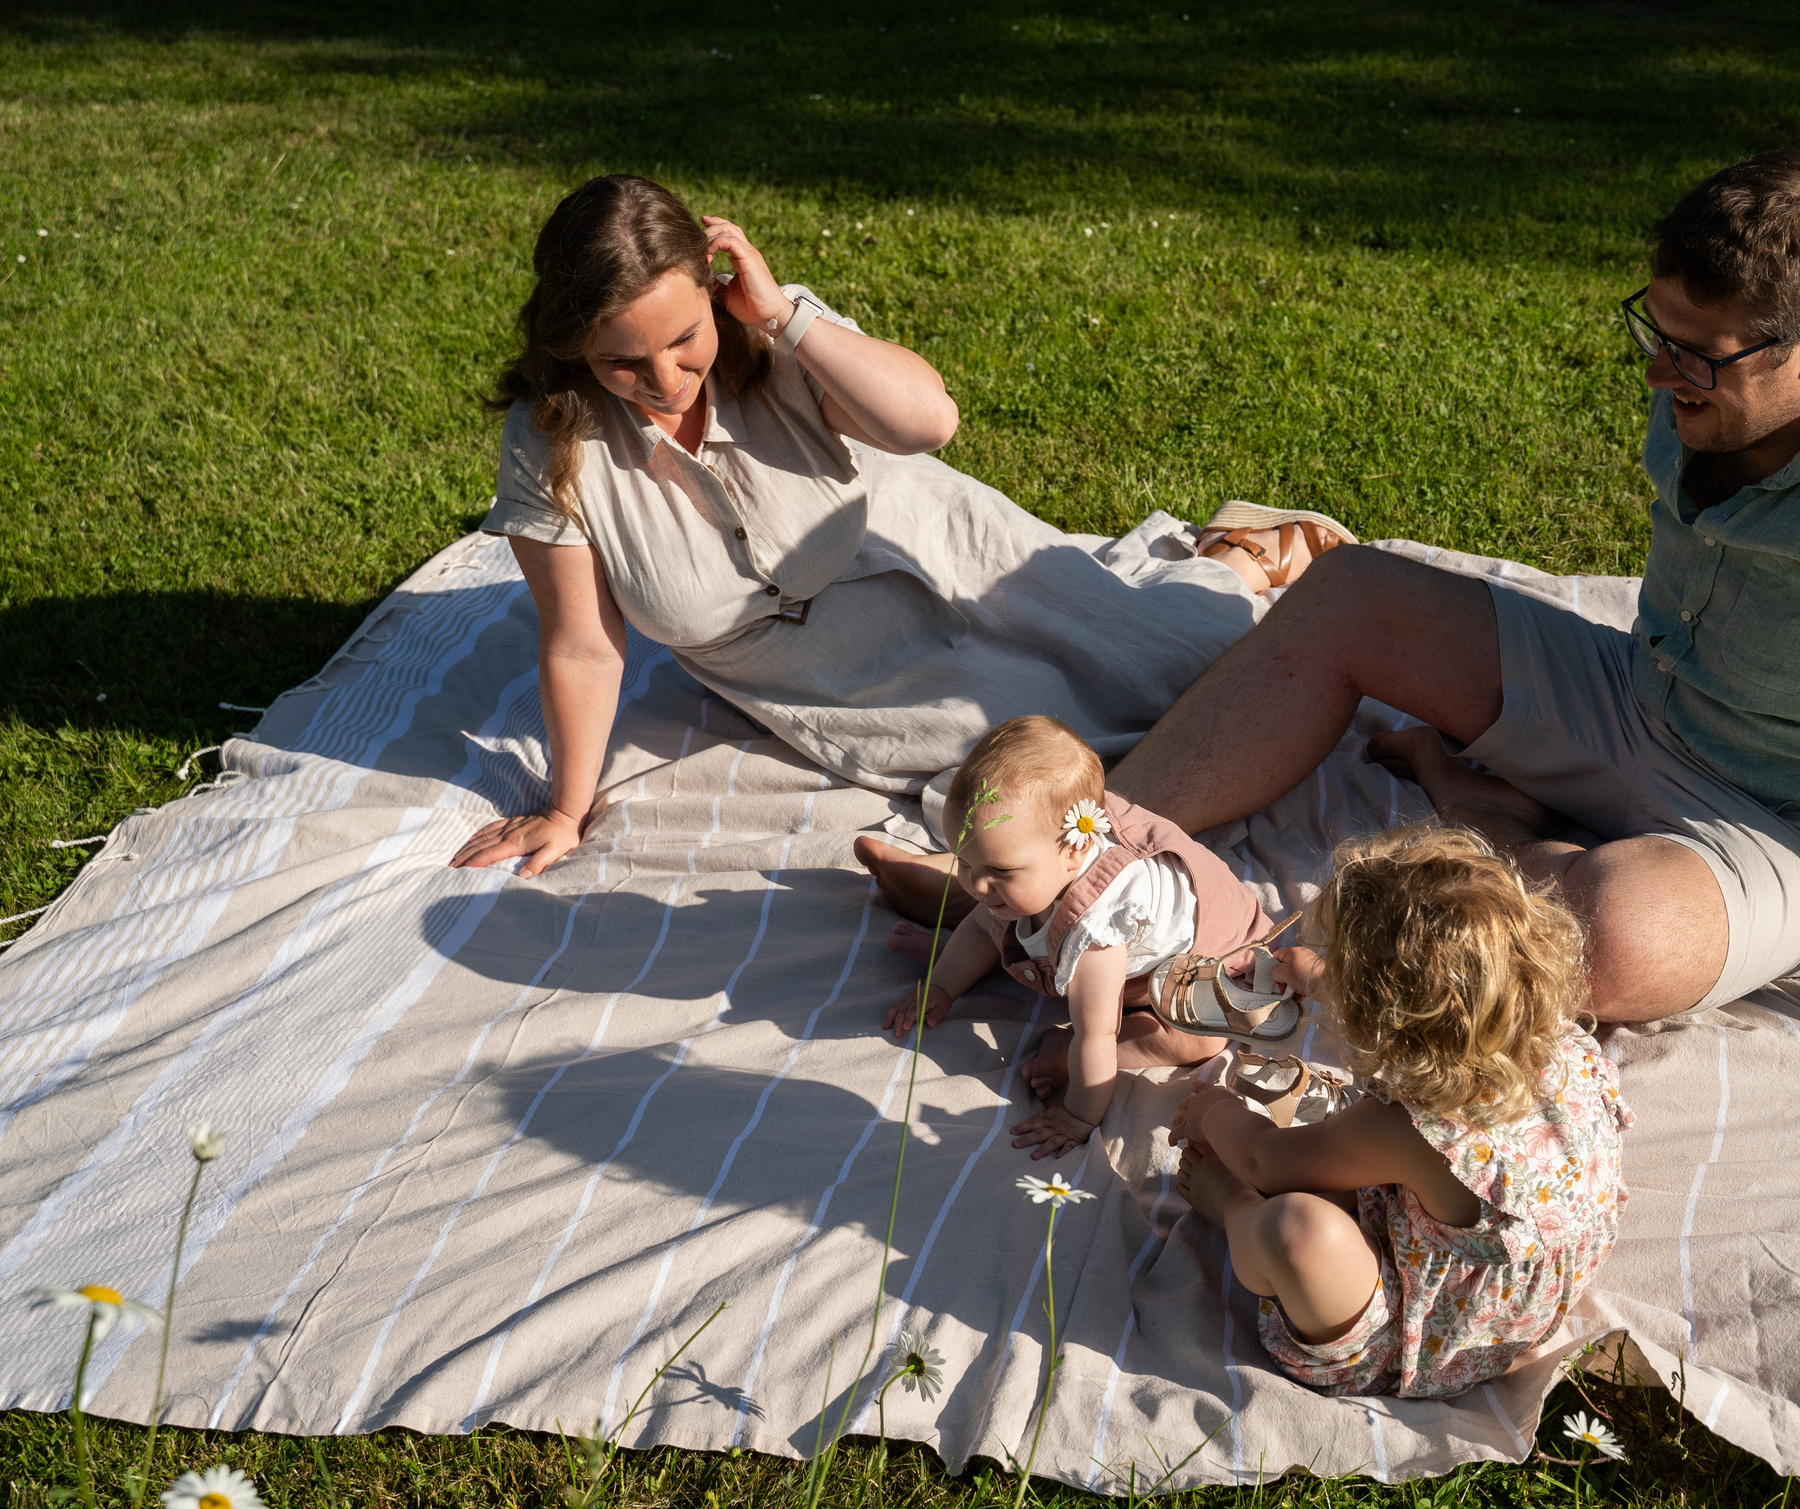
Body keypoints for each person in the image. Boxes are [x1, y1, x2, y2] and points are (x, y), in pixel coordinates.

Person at [1125, 152, 1800, 1229]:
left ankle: (1461, 834)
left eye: (1696, 355)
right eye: (1655, 331)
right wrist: (1058, 861)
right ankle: (1096, 851)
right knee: (1351, 593)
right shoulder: (1709, 391)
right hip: (1642, 694)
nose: (1657, 374)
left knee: (1612, 936)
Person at [450, 173, 1279, 880]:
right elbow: (584, 645)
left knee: (1198, 656)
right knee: (1029, 770)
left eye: (684, 339)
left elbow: (930, 422)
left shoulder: (774, 330)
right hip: (836, 674)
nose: (665, 379)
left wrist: (784, 316)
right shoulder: (550, 438)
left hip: (936, 540)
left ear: (714, 289)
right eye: (622, 362)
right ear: (574, 349)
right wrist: (566, 810)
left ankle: (1239, 555)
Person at [1170, 824, 1635, 1399]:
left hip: (1422, 1340)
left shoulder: (1416, 1133)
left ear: (1379, 1019)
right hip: (1514, 1308)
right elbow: (1449, 997)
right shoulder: (1559, 1042)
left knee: (1298, 1232)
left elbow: (1263, 1159)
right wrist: (1321, 977)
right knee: (1339, 1168)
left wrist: (1213, 1110)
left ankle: (1230, 1209)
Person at [883, 716, 1281, 1158]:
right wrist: (940, 987)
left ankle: (1060, 1050)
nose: (976, 884)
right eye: (964, 862)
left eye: (999, 870)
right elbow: (982, 924)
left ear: (1075, 849)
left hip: (1212, 963)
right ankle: (968, 962)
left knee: (1200, 1041)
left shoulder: (1098, 928)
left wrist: (1076, 1117)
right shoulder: (1043, 840)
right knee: (1001, 917)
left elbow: (1097, 1034)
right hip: (1110, 936)